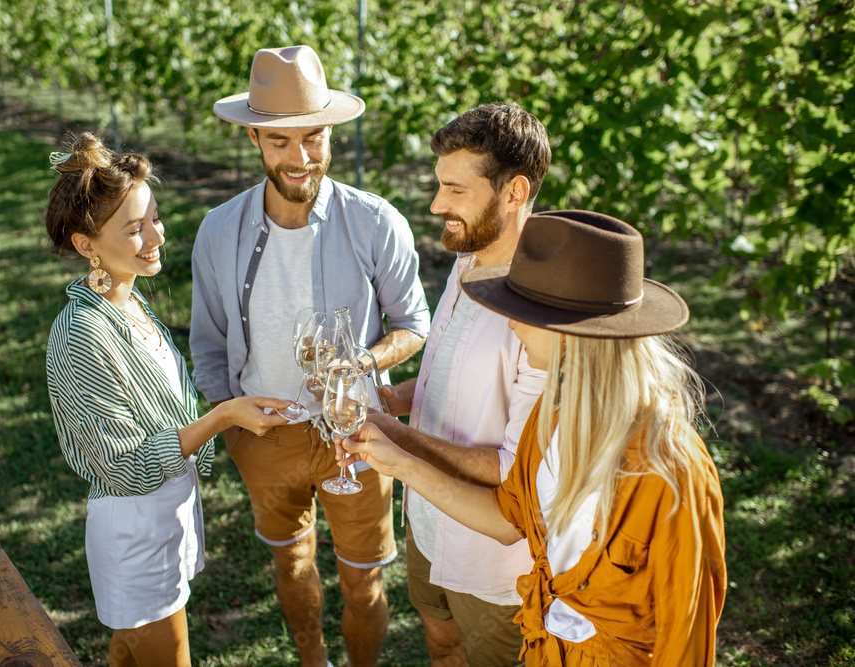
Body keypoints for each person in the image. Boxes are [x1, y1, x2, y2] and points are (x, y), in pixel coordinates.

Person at [340, 210, 728, 665]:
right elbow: (508, 519)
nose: (511, 325)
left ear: (572, 332)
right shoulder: (554, 414)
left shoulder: (668, 467)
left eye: (524, 312)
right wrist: (399, 463)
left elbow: (687, 633)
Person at [189, 45, 430, 667]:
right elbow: (209, 340)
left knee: (363, 581)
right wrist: (232, 418)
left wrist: (365, 365)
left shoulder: (378, 223)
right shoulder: (218, 230)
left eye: (314, 138)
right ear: (254, 138)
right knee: (290, 560)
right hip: (266, 435)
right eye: (281, 142)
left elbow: (413, 325)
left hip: (359, 434)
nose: (301, 158)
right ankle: (311, 660)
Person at [44, 132, 289, 667]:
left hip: (167, 513)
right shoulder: (83, 335)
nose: (156, 234)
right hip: (134, 532)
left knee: (130, 651)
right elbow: (125, 465)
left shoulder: (129, 306)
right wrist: (223, 416)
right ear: (87, 245)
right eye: (135, 228)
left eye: (154, 216)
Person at [370, 102, 550, 666]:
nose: (436, 204)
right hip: (425, 521)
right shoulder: (468, 256)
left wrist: (392, 440)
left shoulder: (546, 309)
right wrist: (391, 399)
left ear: (514, 192)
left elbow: (511, 468)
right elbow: (444, 375)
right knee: (440, 643)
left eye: (456, 190)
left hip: (493, 561)